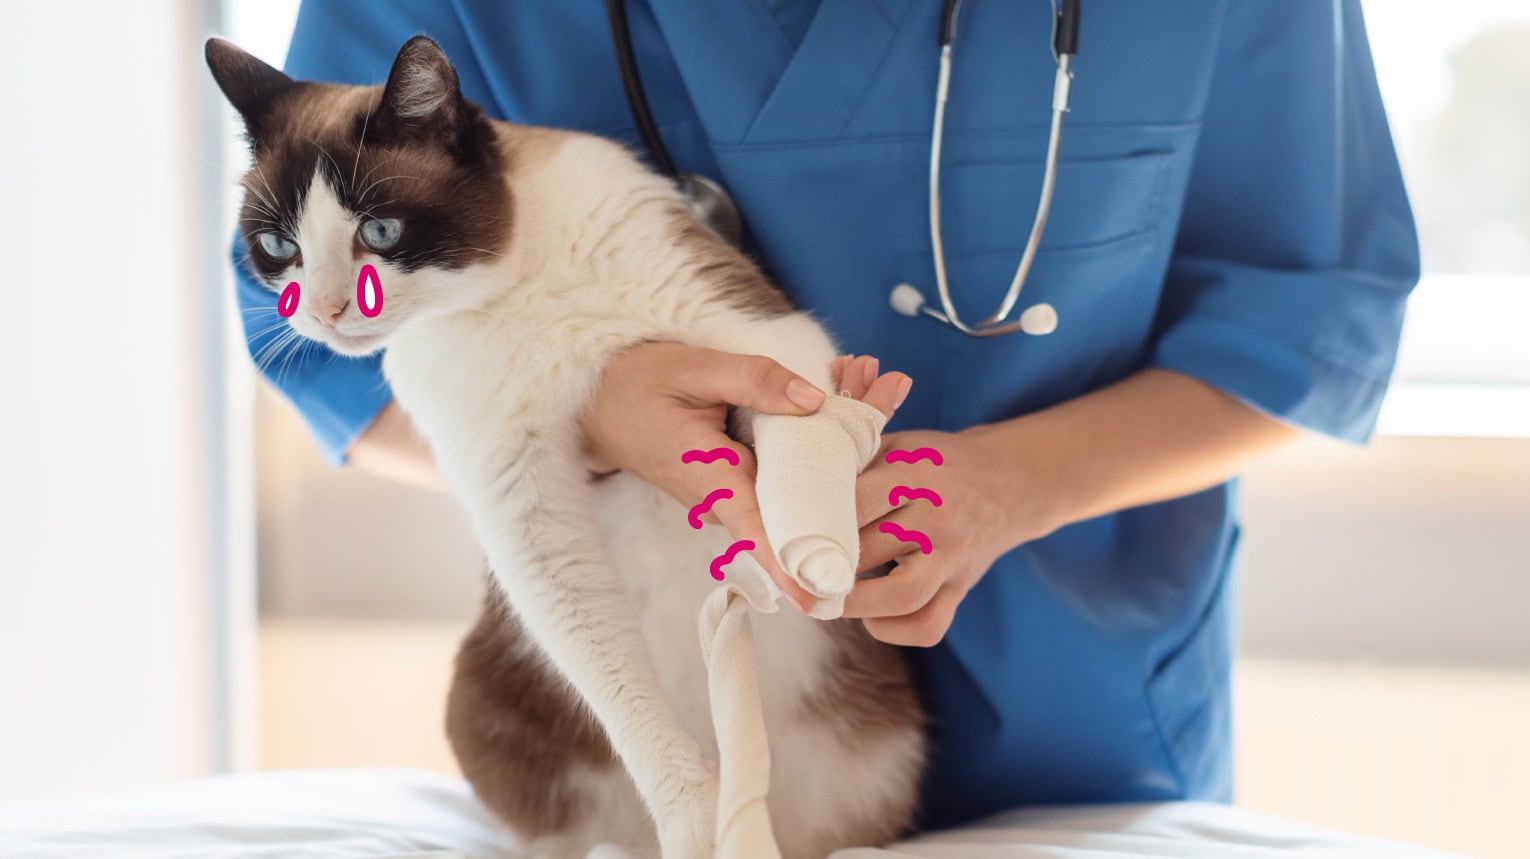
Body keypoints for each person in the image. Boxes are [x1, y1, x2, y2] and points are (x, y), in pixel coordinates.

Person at [232, 0, 1419, 832]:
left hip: (1081, 709)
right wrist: (591, 417)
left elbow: (1306, 314)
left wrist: (1017, 481)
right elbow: (323, 341)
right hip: (645, 730)